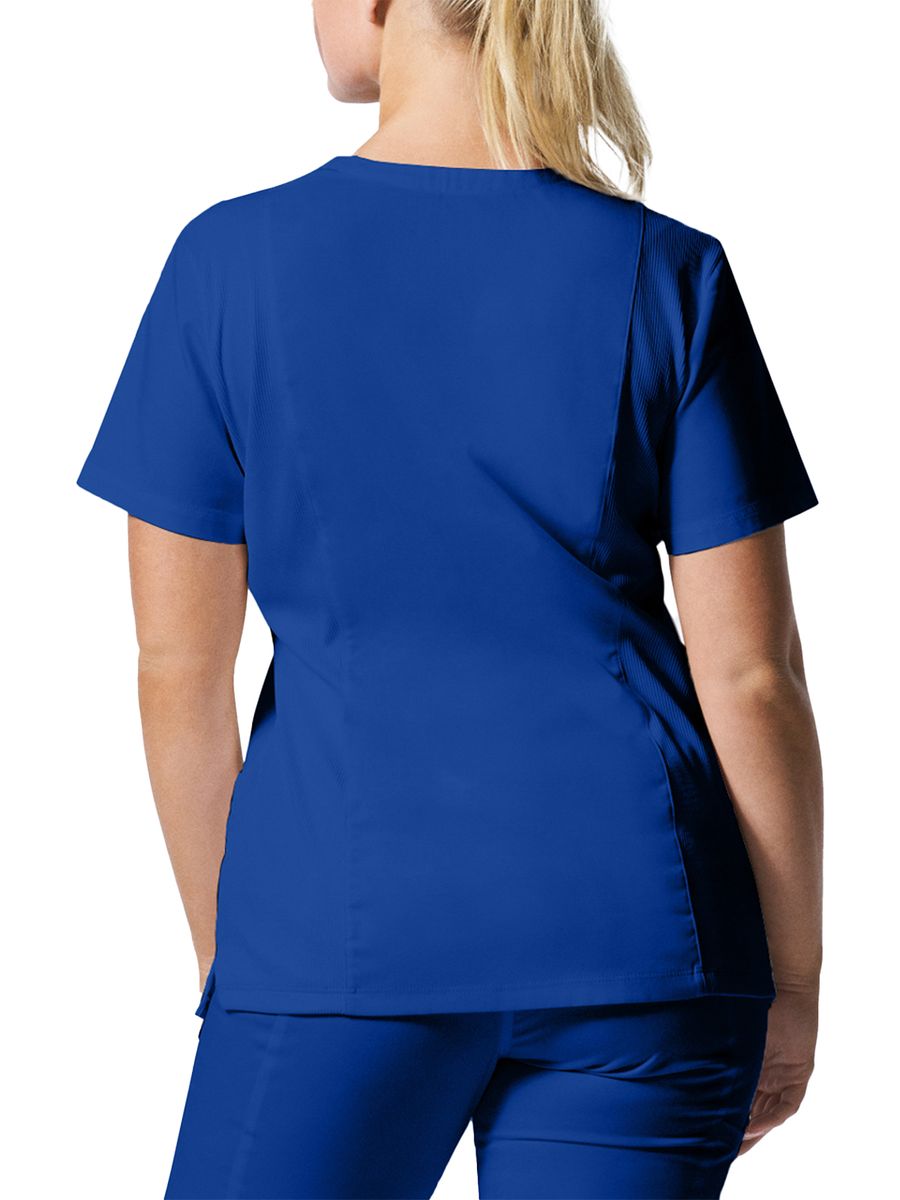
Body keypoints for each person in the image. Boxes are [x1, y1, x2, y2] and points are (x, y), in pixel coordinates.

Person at [75, 1, 824, 1197]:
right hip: (647, 940)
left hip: (338, 932)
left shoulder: (229, 263)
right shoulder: (667, 269)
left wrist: (244, 958)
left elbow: (179, 671)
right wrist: (791, 978)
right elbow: (752, 676)